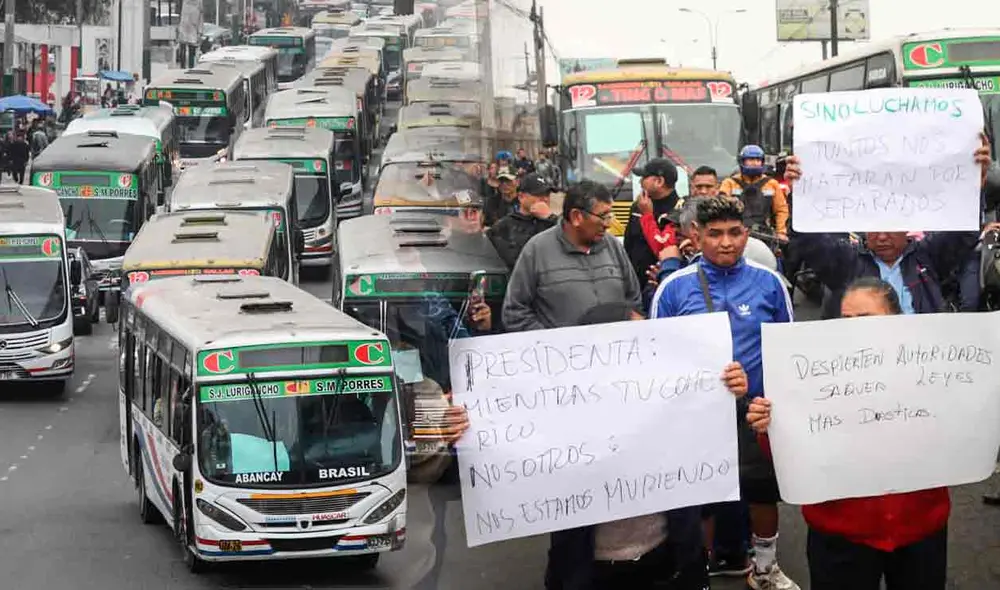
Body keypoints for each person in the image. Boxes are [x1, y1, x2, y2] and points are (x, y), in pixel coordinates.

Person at [746, 278, 949, 590]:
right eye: (847, 320)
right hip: (841, 530)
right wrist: (768, 427)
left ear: (896, 321)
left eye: (866, 320)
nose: (854, 329)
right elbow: (789, 451)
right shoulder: (811, 376)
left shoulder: (932, 371)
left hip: (919, 527)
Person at [543, 301, 749, 590]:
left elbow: (726, 418)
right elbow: (510, 449)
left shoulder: (670, 390)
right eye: (636, 341)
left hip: (668, 556)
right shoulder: (559, 408)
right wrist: (464, 429)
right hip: (590, 567)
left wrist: (733, 392)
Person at [650, 196, 799, 590]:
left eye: (734, 233)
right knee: (702, 498)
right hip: (696, 414)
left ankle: (765, 569)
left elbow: (790, 349)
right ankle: (700, 573)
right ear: (696, 236)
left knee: (764, 493)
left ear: (746, 234)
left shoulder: (770, 283)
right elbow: (654, 358)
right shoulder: (673, 289)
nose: (726, 242)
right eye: (714, 234)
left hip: (757, 412)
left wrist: (779, 403)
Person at [783, 136, 992, 319]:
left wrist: (974, 183)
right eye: (874, 229)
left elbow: (965, 231)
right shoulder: (847, 262)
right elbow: (806, 240)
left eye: (890, 229)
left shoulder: (927, 257)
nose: (882, 237)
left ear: (906, 228)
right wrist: (800, 194)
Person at [503, 180, 642, 331]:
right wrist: (552, 344)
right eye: (603, 216)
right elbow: (514, 312)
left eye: (610, 215)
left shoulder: (614, 246)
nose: (608, 224)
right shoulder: (536, 250)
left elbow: (634, 300)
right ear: (576, 217)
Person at [624, 158, 683, 290]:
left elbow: (664, 249)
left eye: (644, 177)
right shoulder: (637, 207)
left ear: (659, 181)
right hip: (636, 287)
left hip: (666, 286)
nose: (640, 182)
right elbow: (628, 245)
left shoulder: (680, 210)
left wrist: (647, 216)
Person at [487, 172, 558, 270]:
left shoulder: (553, 223)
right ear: (521, 197)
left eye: (547, 194)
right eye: (539, 195)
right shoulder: (504, 226)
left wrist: (551, 218)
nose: (545, 199)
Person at [719, 145, 789, 240]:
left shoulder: (772, 184)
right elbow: (722, 206)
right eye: (751, 159)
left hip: (765, 233)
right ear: (742, 161)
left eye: (758, 160)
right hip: (736, 232)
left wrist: (781, 232)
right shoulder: (729, 183)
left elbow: (781, 210)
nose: (755, 163)